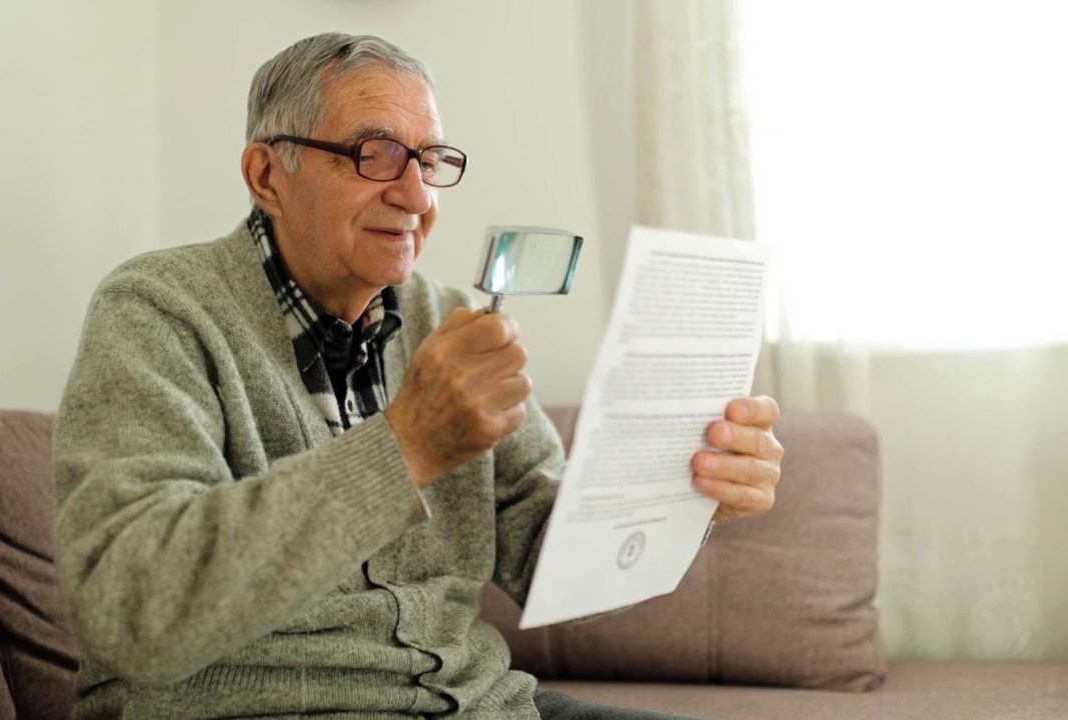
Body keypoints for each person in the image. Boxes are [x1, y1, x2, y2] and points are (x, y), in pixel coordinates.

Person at [54, 32, 783, 720]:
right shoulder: (157, 311)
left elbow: (545, 565)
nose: (417, 197)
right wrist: (408, 446)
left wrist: (683, 491)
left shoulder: (451, 318)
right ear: (268, 175)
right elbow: (133, 610)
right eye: (374, 154)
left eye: (430, 161)